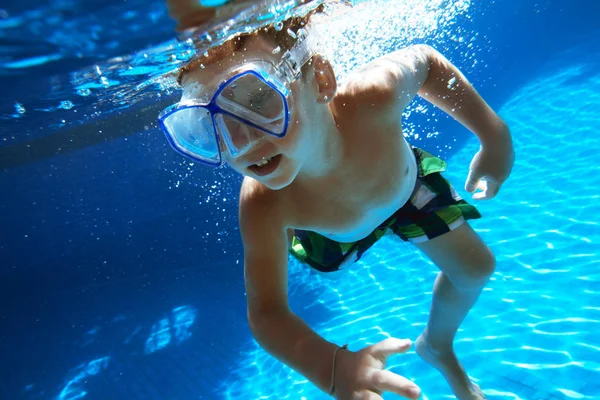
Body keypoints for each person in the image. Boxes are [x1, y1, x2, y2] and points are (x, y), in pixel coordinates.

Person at [161, 1, 514, 399]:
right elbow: (267, 313)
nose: (240, 143)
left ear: (322, 80)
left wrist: (493, 133)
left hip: (403, 188)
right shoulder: (263, 203)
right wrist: (331, 367)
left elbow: (427, 62)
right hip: (328, 238)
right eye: (210, 125)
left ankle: (436, 345)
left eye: (258, 99)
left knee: (477, 268)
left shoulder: (371, 96)